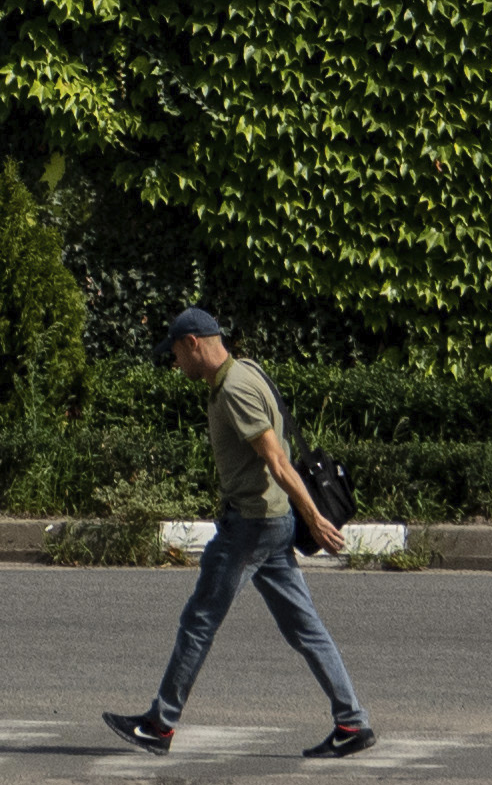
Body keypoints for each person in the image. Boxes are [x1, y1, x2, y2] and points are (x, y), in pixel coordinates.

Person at [105, 304, 374, 758]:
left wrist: (312, 516)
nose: (175, 364)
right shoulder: (246, 370)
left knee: (198, 621)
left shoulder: (233, 389)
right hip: (269, 523)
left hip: (250, 526)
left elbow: (277, 458)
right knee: (304, 628)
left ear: (193, 343)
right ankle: (352, 724)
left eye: (175, 353)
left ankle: (160, 724)